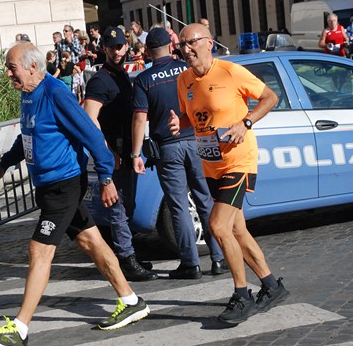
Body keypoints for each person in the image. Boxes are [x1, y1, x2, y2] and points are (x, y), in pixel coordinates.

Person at [0, 42, 151, 346]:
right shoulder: (29, 94)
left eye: (11, 67)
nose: (7, 73)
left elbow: (90, 133)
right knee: (91, 242)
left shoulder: (55, 92)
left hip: (65, 184)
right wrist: (4, 164)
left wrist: (107, 176)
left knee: (39, 250)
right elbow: (27, 136)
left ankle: (19, 329)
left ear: (32, 66)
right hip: (48, 186)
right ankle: (131, 301)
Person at [168, 23, 289, 325]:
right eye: (181, 45)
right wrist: (178, 123)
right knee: (237, 230)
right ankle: (272, 286)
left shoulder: (230, 72)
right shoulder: (183, 81)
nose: (185, 49)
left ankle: (241, 294)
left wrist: (245, 123)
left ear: (208, 43)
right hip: (211, 163)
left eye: (190, 43)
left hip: (239, 161)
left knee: (218, 226)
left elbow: (270, 98)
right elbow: (195, 118)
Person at [132, 27, 227, 279]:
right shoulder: (186, 70)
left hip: (168, 147)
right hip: (197, 140)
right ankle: (218, 258)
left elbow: (140, 120)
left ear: (147, 51)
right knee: (205, 199)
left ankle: (191, 263)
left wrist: (135, 154)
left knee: (179, 206)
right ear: (171, 46)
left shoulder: (143, 79)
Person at [84, 27, 157, 282]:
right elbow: (89, 117)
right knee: (118, 210)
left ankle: (130, 254)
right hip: (113, 154)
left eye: (120, 46)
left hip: (126, 152)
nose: (117, 51)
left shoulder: (121, 76)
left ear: (126, 47)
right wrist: (106, 151)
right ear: (103, 48)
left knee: (127, 207)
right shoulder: (100, 80)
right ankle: (126, 260)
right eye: (112, 47)